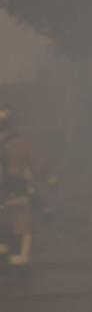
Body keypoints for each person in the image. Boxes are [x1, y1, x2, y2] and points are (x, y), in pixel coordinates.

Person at [0, 103, 35, 275]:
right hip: (16, 191)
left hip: (5, 193)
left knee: (5, 224)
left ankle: (5, 256)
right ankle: (17, 262)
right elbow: (32, 162)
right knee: (21, 225)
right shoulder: (18, 142)